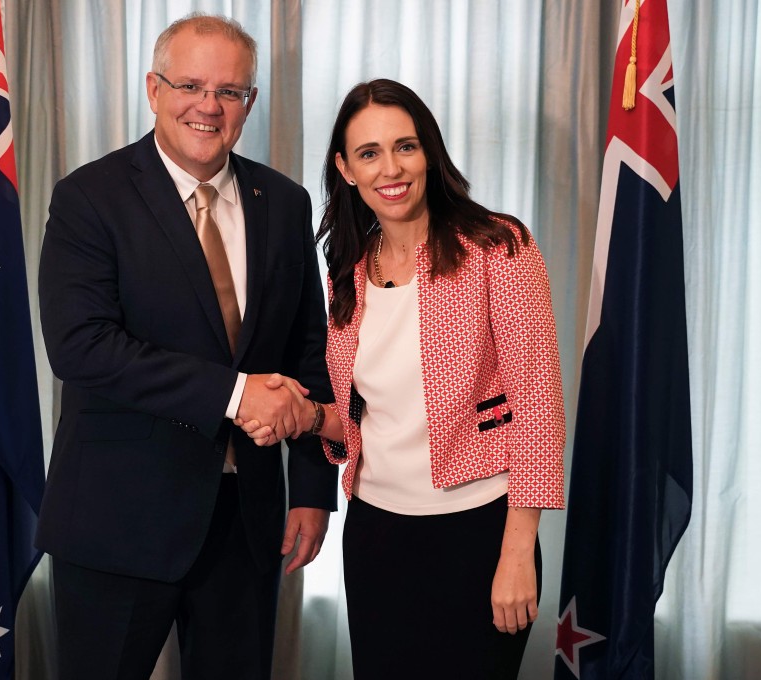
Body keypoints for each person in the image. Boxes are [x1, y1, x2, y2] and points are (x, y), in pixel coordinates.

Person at [35, 14, 337, 679]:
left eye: (229, 91)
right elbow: (82, 347)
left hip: (244, 523)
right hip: (116, 522)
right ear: (153, 88)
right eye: (190, 84)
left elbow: (308, 348)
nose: (208, 105)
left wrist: (315, 486)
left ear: (249, 103)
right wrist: (236, 395)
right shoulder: (90, 197)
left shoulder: (283, 203)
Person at [242, 79, 566, 679]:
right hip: (376, 537)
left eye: (405, 147)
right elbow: (365, 418)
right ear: (345, 168)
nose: (390, 168)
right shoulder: (349, 273)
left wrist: (519, 550)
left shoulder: (498, 246)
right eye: (368, 153)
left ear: (429, 153)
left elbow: (539, 408)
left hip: (479, 535)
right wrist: (307, 414)